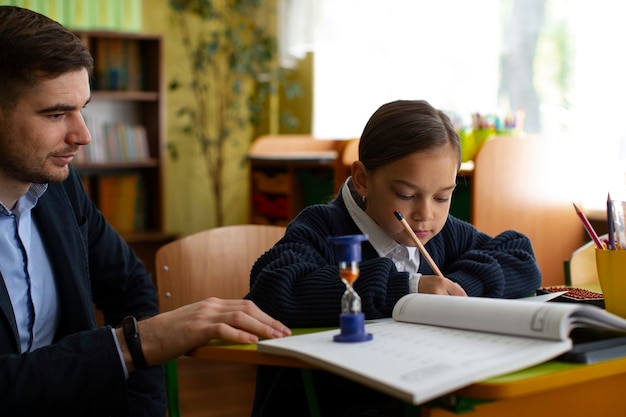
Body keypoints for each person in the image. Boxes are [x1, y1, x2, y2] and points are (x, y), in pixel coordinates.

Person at [0, 6, 291, 417]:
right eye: (55, 113)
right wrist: (134, 345)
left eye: (82, 108)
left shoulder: (59, 191)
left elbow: (130, 287)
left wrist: (143, 408)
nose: (83, 135)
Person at [245, 99, 542, 416]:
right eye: (406, 195)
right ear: (362, 179)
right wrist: (411, 290)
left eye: (443, 196)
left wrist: (457, 289)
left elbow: (520, 257)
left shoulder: (441, 232)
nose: (426, 214)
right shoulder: (321, 226)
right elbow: (272, 288)